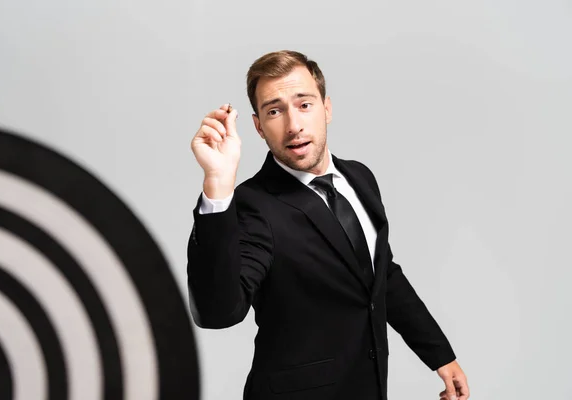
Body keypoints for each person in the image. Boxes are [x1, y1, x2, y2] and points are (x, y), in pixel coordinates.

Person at [187, 50, 469, 400]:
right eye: (275, 111)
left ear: (327, 108)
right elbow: (218, 312)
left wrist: (440, 354)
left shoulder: (360, 178)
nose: (293, 125)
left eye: (304, 104)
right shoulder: (251, 205)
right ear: (259, 126)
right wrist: (217, 183)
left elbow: (382, 276)